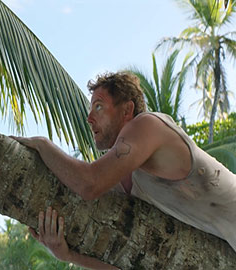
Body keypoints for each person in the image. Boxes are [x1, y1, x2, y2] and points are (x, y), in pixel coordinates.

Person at [12, 71, 236, 269]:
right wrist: (68, 255)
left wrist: (42, 144)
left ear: (127, 110)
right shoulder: (127, 182)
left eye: (98, 106)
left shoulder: (148, 126)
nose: (89, 118)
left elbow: (89, 183)